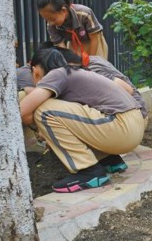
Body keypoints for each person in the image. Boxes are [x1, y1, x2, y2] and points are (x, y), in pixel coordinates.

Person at [19, 48, 145, 192]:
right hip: (132, 125)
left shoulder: (57, 74)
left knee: (44, 111)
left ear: (35, 71)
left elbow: (23, 110)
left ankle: (88, 171)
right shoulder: (76, 72)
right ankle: (108, 159)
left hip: (121, 128)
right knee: (73, 115)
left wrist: (39, 129)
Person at [36, 0, 108, 64]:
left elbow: (95, 38)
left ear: (63, 10)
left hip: (94, 43)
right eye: (47, 19)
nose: (50, 23)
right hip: (74, 45)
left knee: (96, 68)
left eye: (53, 19)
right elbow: (61, 47)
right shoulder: (51, 25)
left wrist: (91, 61)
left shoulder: (84, 14)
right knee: (74, 70)